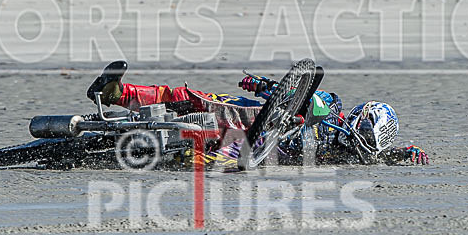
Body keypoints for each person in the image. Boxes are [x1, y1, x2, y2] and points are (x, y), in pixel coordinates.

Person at [87, 61, 429, 166]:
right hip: (249, 114)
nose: (367, 138)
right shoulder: (333, 107)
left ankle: (166, 153)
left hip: (255, 150)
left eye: (374, 138)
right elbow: (290, 94)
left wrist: (406, 153)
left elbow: (382, 159)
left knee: (208, 155)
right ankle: (115, 93)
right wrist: (263, 84)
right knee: (187, 97)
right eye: (369, 129)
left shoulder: (353, 156)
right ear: (362, 116)